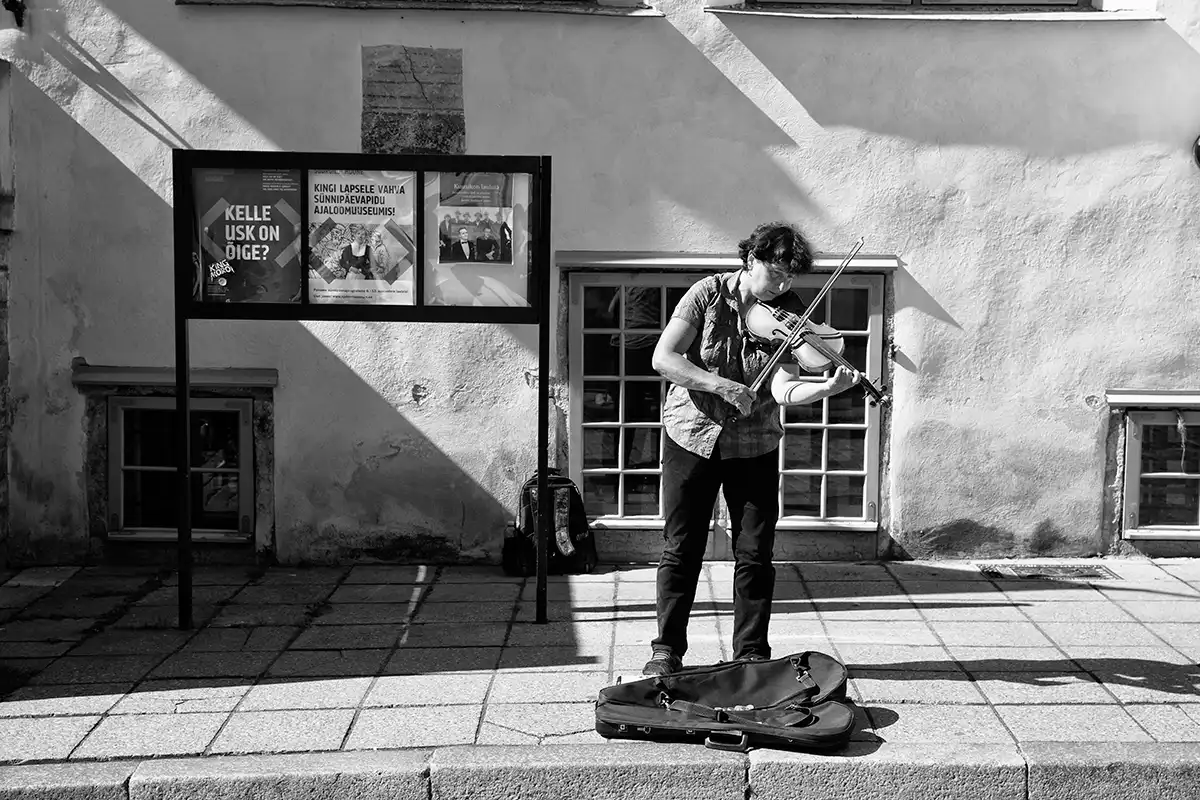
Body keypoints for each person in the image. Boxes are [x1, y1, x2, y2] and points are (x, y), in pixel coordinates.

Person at [643, 221, 861, 677]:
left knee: (755, 552)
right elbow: (664, 358)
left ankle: (751, 654)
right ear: (750, 260)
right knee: (682, 547)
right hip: (692, 434)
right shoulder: (706, 294)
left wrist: (825, 388)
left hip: (756, 443)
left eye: (790, 278)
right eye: (776, 272)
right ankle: (667, 649)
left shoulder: (789, 315)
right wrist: (721, 386)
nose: (783, 286)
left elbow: (782, 390)